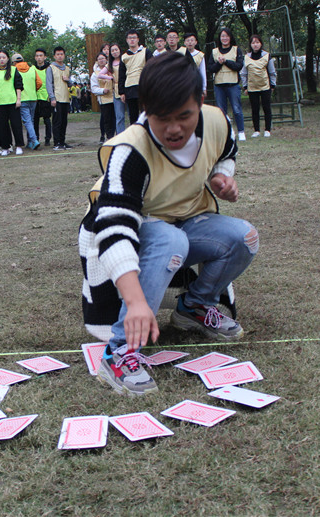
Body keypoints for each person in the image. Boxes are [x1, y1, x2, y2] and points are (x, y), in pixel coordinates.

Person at [78, 52, 258, 395]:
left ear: (200, 102)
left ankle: (193, 307)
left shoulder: (216, 121)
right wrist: (135, 303)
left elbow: (227, 152)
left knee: (244, 237)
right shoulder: (130, 150)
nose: (174, 129)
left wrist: (221, 176)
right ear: (144, 108)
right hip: (124, 233)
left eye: (184, 116)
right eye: (162, 118)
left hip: (186, 222)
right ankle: (119, 352)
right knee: (169, 239)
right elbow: (115, 230)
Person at [207, 27, 246, 141]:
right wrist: (219, 63)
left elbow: (238, 66)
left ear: (230, 37)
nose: (224, 38)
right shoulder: (214, 51)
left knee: (237, 109)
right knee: (221, 111)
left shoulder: (236, 50)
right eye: (222, 36)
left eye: (226, 36)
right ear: (220, 38)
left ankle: (241, 131)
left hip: (233, 85)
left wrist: (226, 62)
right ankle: (226, 133)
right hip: (219, 85)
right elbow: (211, 68)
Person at [0, 50, 24, 156]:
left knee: (16, 124)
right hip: (0, 103)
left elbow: (19, 85)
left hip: (13, 102)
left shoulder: (13, 70)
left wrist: (18, 99)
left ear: (8, 59)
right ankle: (5, 147)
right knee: (2, 126)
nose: (2, 59)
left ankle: (18, 146)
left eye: (4, 57)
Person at [241, 34, 277, 138]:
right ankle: (256, 130)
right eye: (253, 43)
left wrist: (272, 84)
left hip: (265, 86)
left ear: (261, 44)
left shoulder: (267, 56)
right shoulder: (247, 57)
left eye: (257, 42)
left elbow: (272, 71)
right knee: (255, 109)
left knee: (266, 108)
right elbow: (243, 73)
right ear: (250, 45)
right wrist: (245, 86)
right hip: (252, 87)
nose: (255, 45)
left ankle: (267, 130)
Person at [118, 30, 154, 124]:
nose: (132, 40)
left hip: (143, 86)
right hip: (129, 87)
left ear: (138, 39)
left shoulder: (146, 52)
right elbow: (121, 75)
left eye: (134, 38)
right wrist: (121, 92)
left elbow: (152, 68)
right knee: (133, 116)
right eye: (130, 38)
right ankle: (135, 136)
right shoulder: (124, 56)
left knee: (146, 113)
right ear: (127, 40)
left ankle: (147, 134)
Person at [13, 53, 41, 150]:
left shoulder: (14, 70)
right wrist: (33, 90)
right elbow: (39, 83)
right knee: (31, 120)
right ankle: (30, 142)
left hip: (22, 98)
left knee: (27, 121)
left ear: (14, 62)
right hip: (33, 98)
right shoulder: (32, 69)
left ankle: (34, 140)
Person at [46, 46, 72, 150]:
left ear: (64, 55)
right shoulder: (51, 68)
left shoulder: (67, 68)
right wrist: (52, 97)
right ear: (54, 56)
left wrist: (68, 80)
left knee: (64, 121)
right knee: (57, 121)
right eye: (58, 54)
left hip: (65, 98)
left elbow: (70, 84)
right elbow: (48, 83)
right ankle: (56, 142)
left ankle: (62, 141)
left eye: (61, 54)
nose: (60, 56)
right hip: (56, 99)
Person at [90, 52, 115, 143]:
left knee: (114, 118)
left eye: (103, 58)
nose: (101, 60)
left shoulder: (111, 70)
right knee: (107, 119)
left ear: (106, 60)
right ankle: (108, 137)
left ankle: (114, 136)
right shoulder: (95, 74)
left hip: (114, 97)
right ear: (97, 61)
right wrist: (102, 91)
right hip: (104, 99)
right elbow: (93, 88)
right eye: (99, 59)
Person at [33, 49, 53, 147]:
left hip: (46, 97)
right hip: (35, 98)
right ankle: (36, 138)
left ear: (45, 57)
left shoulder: (49, 68)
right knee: (35, 120)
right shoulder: (32, 69)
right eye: (37, 56)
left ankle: (48, 139)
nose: (39, 57)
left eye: (41, 55)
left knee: (47, 119)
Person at [182, 33, 207, 98]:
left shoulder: (200, 55)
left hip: (195, 83)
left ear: (196, 42)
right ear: (184, 42)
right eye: (188, 40)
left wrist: (204, 87)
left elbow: (202, 71)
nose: (190, 42)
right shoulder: (181, 54)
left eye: (192, 40)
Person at [109, 43, 127, 135]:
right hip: (116, 91)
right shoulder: (110, 64)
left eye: (116, 49)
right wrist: (110, 77)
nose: (115, 52)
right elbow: (99, 74)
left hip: (128, 88)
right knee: (120, 116)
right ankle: (121, 136)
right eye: (112, 50)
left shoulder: (125, 59)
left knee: (133, 114)